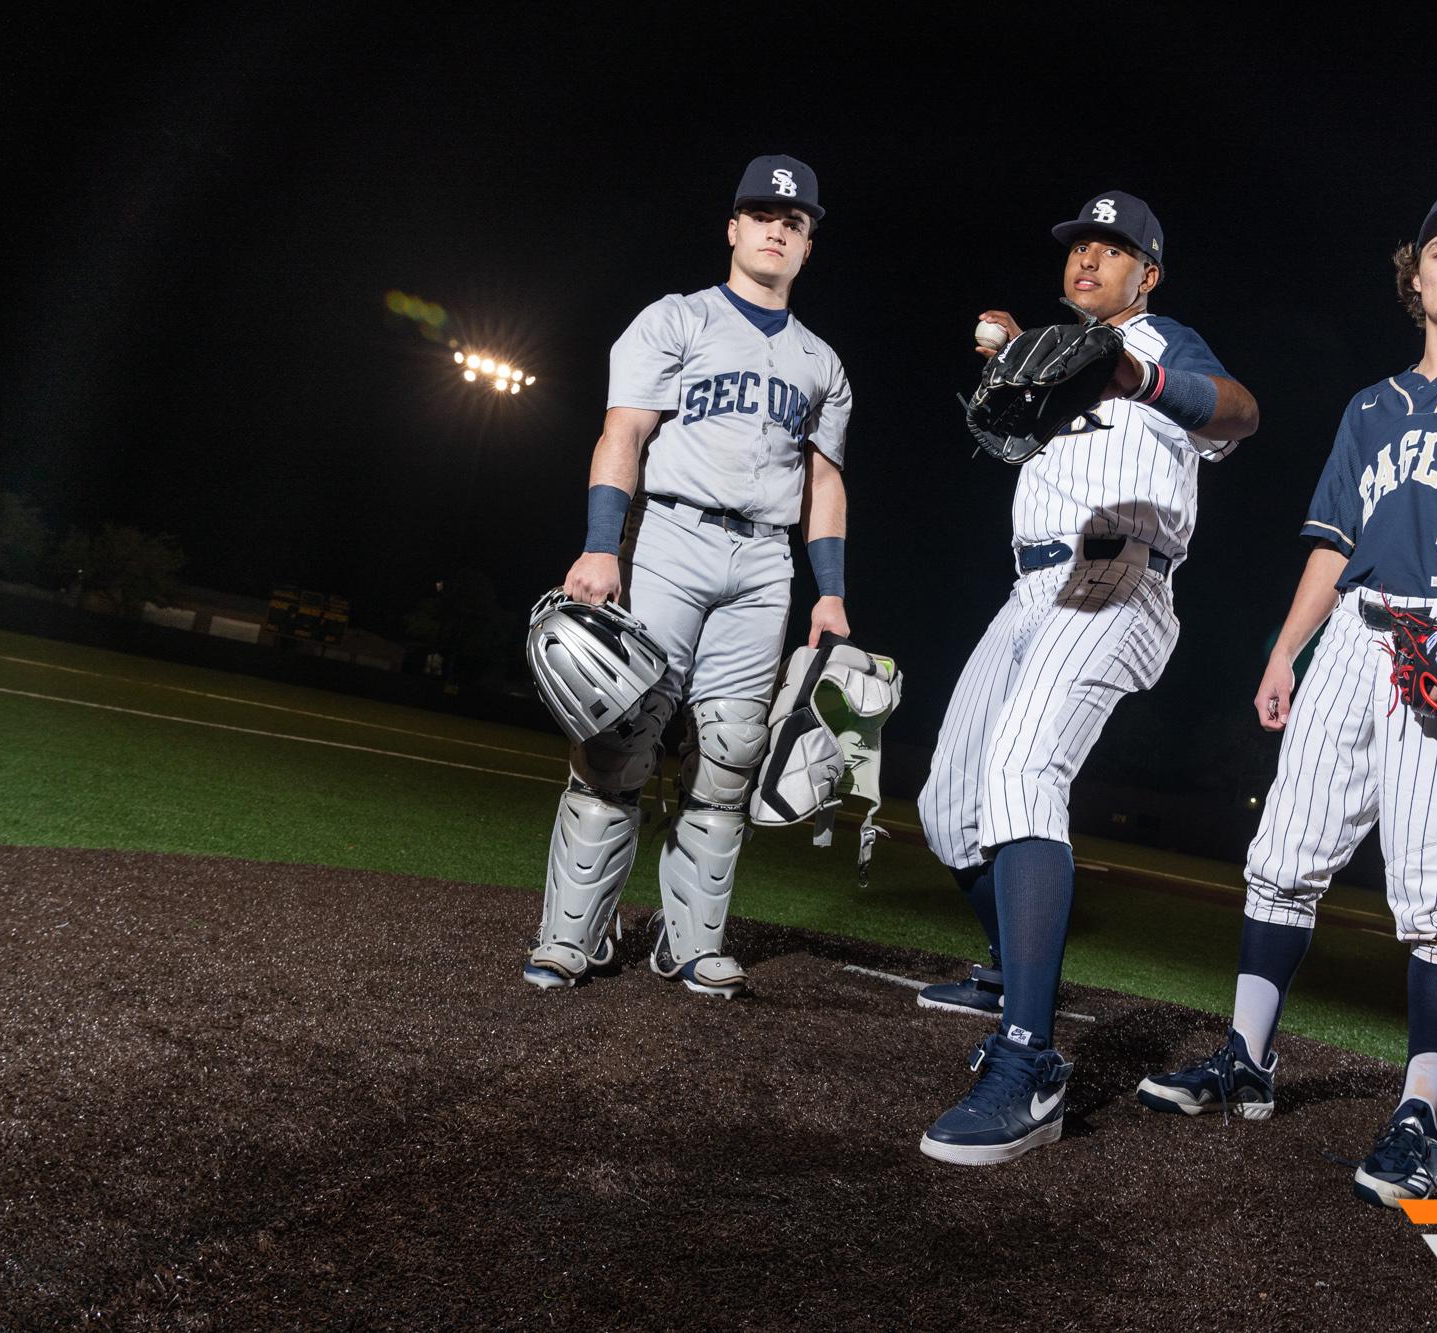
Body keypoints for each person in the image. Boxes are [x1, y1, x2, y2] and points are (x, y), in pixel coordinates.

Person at [1137, 189, 1437, 1207]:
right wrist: (1283, 654)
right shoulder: (1369, 404)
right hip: (1349, 636)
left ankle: (1419, 1114)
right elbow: (1331, 545)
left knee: (1435, 892)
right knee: (1282, 856)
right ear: (1414, 273)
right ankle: (1245, 1059)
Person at [914, 191, 1259, 1164]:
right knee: (947, 807)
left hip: (1116, 564)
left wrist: (1135, 376)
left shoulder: (1162, 341)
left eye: (1111, 250)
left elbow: (1240, 410)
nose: (1087, 261)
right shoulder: (1058, 357)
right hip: (1027, 584)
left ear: (1146, 273)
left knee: (1024, 771)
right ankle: (1008, 970)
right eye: (1078, 247)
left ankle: (1027, 1061)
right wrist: (1022, 355)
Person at [521, 155, 854, 1000]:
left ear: (809, 245)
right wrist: (602, 545)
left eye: (797, 222)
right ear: (734, 227)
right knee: (616, 739)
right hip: (670, 535)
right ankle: (574, 937)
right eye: (762, 214)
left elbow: (824, 483)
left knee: (733, 753)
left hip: (765, 562)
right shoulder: (675, 320)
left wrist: (831, 591)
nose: (779, 228)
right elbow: (623, 433)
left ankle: (690, 941)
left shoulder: (822, 361)